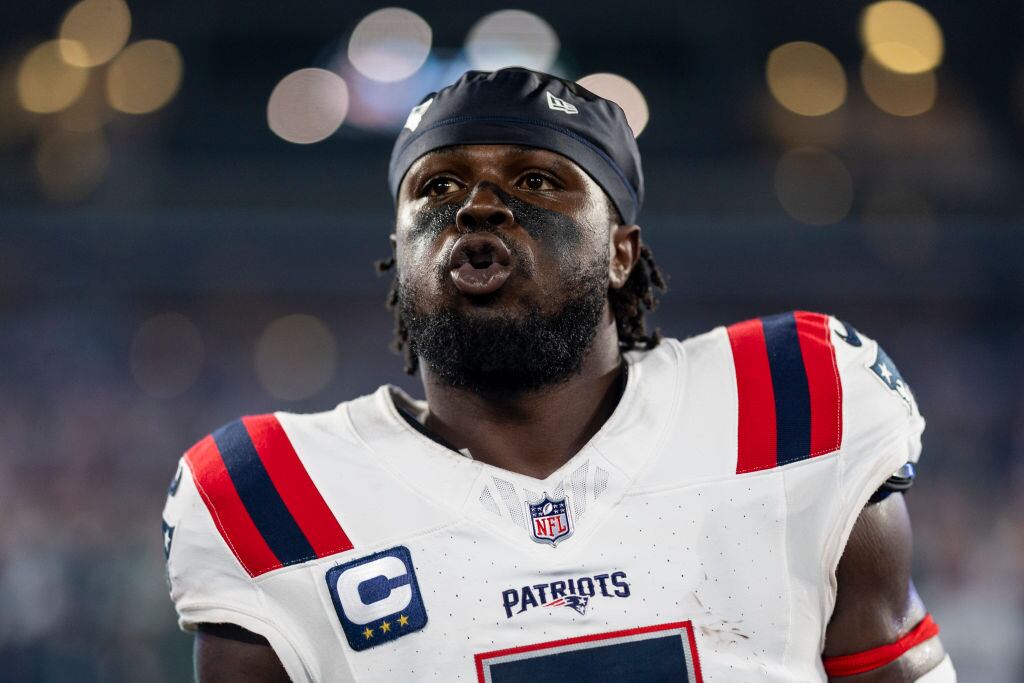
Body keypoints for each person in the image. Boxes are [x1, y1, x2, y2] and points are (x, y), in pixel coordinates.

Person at [161, 67, 956, 682]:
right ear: (400, 256)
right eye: (436, 187)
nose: (478, 206)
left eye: (536, 180)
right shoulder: (271, 500)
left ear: (621, 252)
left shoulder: (789, 405)